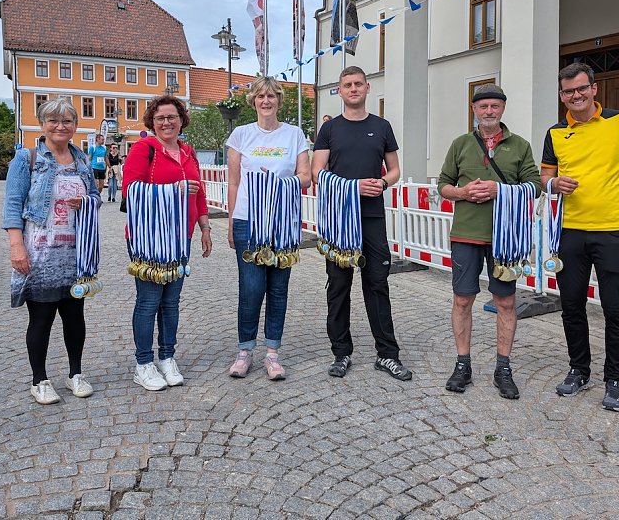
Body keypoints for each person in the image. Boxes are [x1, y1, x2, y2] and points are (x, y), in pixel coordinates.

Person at [541, 62, 619, 413]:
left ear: (593, 88)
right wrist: (553, 184)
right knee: (571, 305)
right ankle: (579, 369)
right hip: (570, 232)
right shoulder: (556, 132)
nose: (575, 95)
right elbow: (546, 174)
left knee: (615, 309)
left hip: (613, 230)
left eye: (580, 88)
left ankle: (615, 380)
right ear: (562, 96)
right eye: (568, 91)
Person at [437, 84, 541, 399]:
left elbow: (535, 185)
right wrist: (464, 192)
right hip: (466, 233)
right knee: (463, 300)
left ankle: (503, 367)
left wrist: (500, 191)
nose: (489, 112)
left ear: (503, 109)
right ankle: (463, 363)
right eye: (483, 107)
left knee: (506, 302)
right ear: (474, 109)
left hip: (505, 237)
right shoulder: (460, 144)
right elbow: (443, 184)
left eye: (495, 106)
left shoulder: (519, 146)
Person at [311, 66, 412, 381]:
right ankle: (341, 353)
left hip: (371, 217)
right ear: (340, 91)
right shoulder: (329, 130)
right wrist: (351, 187)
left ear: (368, 88)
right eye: (347, 85)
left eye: (357, 84)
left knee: (377, 284)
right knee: (338, 286)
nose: (353, 89)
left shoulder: (381, 127)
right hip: (339, 219)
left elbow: (394, 169)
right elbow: (317, 172)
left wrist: (382, 183)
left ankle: (387, 355)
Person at [2, 99, 99, 405]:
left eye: (67, 121)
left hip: (75, 251)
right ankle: (39, 379)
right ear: (42, 124)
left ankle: (75, 373)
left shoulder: (81, 159)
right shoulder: (26, 158)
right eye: (54, 121)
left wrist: (85, 202)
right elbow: (13, 204)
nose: (61, 126)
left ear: (75, 125)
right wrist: (17, 247)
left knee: (75, 317)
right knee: (41, 318)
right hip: (40, 252)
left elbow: (95, 196)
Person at [122, 95, 213, 391]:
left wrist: (204, 227)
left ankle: (167, 357)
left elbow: (198, 193)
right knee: (149, 302)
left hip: (178, 238)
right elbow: (130, 192)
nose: (166, 122)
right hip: (149, 237)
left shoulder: (188, 152)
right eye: (160, 118)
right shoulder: (143, 149)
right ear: (152, 121)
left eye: (172, 117)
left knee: (171, 303)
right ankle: (144, 363)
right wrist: (173, 189)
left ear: (181, 119)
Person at [225, 77, 311, 380]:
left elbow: (306, 176)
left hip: (282, 222)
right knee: (251, 288)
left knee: (278, 289)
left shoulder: (294, 135)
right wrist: (233, 220)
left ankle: (272, 354)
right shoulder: (241, 135)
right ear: (253, 101)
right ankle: (245, 351)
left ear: (278, 101)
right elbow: (233, 181)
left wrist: (279, 183)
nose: (266, 101)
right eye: (261, 96)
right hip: (248, 219)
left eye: (272, 96)